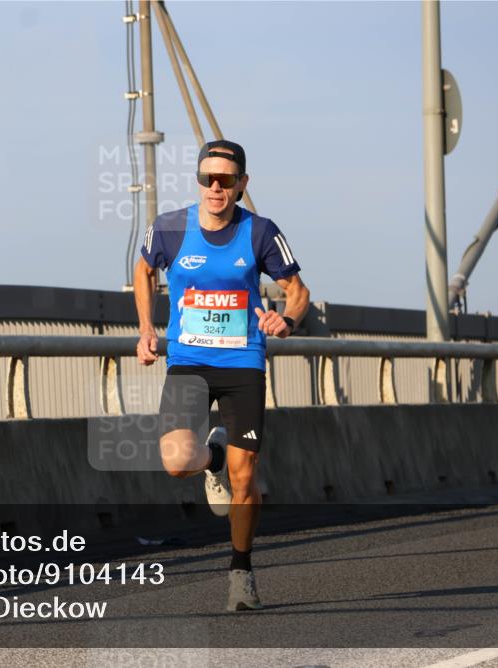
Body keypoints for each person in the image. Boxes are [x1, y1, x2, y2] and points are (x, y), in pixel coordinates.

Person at [133, 139, 310, 611]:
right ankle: (212, 459)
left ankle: (240, 572)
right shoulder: (170, 227)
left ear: (241, 184)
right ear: (198, 181)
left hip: (242, 364)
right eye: (207, 178)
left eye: (226, 179)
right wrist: (147, 328)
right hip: (188, 362)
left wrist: (287, 321)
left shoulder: (260, 232)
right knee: (176, 462)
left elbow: (298, 291)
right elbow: (144, 270)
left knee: (245, 477)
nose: (215, 187)